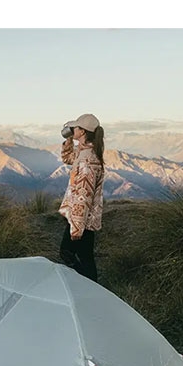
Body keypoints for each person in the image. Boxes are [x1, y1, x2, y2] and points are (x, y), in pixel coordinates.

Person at [58, 113, 105, 282]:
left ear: (83, 131)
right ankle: (90, 286)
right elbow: (67, 159)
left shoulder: (87, 160)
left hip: (81, 218)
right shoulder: (85, 152)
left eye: (75, 128)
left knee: (67, 253)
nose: (73, 130)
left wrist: (77, 226)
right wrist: (69, 141)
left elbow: (83, 195)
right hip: (84, 217)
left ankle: (85, 284)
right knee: (85, 256)